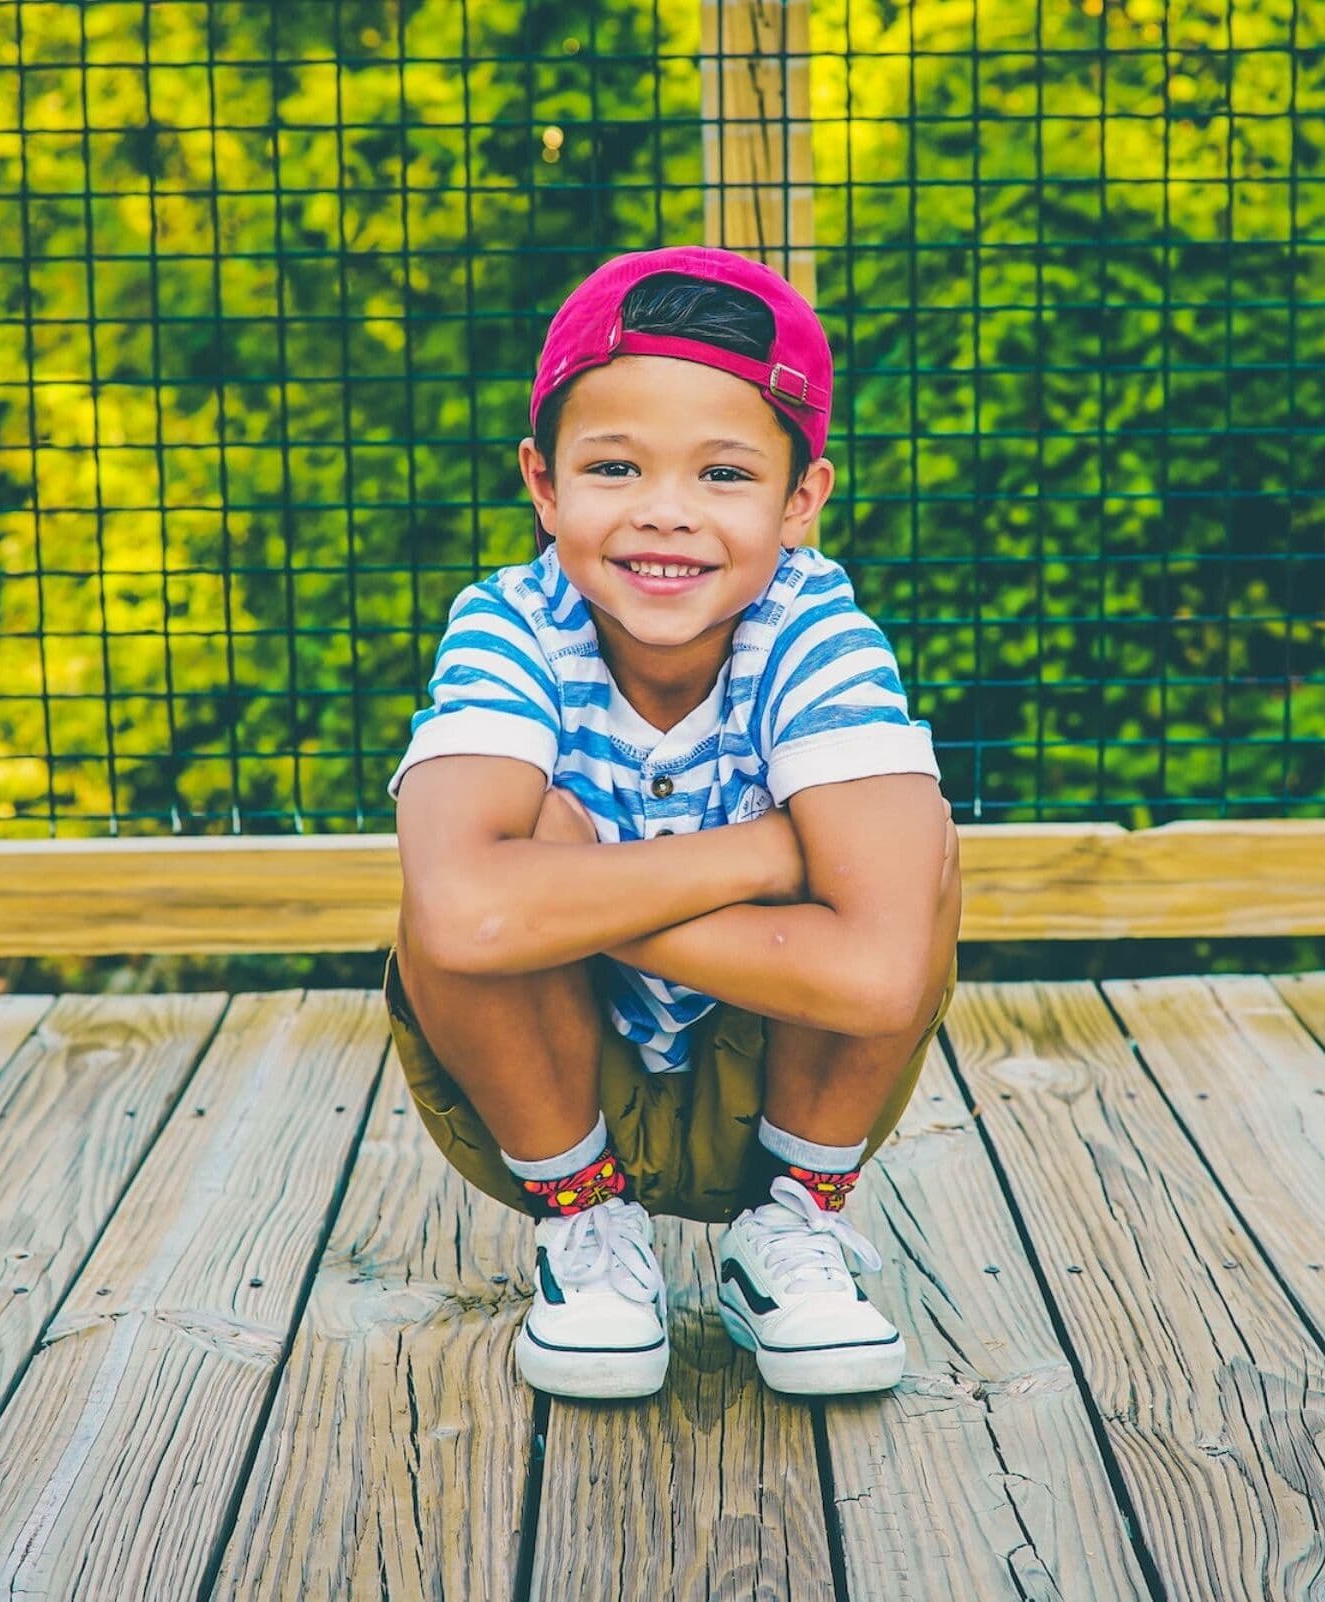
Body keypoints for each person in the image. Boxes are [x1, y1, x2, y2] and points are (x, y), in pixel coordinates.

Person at [383, 245, 961, 1402]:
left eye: (723, 475)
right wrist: (759, 853)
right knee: (500, 834)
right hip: (554, 1083)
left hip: (776, 1067)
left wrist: (560, 900)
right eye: (613, 466)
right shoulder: (508, 625)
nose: (664, 514)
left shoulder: (817, 634)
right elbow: (457, 917)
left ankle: (793, 1232)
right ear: (543, 487)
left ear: (802, 501)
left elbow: (881, 976)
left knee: (912, 841)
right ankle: (586, 1236)